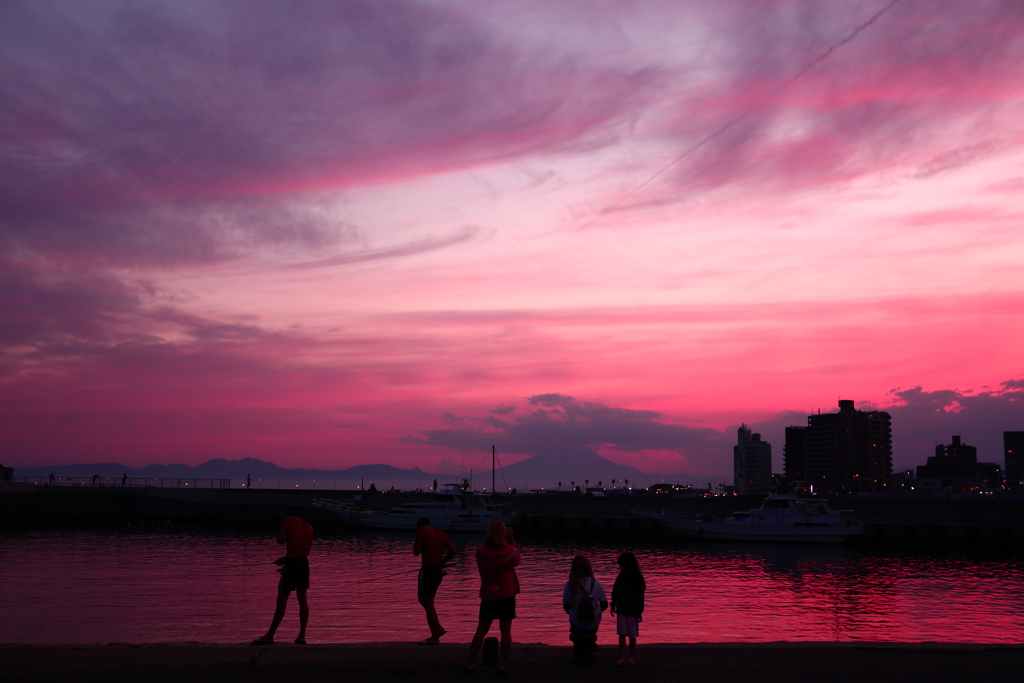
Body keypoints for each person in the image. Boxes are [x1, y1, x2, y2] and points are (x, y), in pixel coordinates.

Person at [465, 521, 520, 676]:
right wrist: (511, 539)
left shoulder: (480, 552)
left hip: (488, 595)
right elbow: (517, 560)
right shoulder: (510, 550)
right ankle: (503, 665)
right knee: (506, 631)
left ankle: (470, 663)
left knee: (481, 630)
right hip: (506, 595)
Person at [251, 516, 314, 645]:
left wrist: (288, 540)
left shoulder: (287, 520)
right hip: (303, 563)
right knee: (302, 600)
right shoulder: (309, 526)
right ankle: (301, 636)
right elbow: (302, 549)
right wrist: (286, 558)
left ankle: (270, 636)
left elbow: (279, 540)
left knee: (281, 600)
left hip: (291, 565)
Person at [414, 517, 456, 645]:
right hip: (438, 570)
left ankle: (435, 637)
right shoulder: (442, 533)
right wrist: (442, 561)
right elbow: (453, 551)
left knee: (427, 601)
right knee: (427, 601)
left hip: (427, 570)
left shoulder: (421, 531)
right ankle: (438, 628)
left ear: (420, 525)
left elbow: (416, 552)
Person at [562, 555, 607, 664]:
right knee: (596, 612)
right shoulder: (596, 583)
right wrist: (595, 611)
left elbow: (566, 606)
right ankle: (591, 643)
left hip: (577, 625)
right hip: (593, 623)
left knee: (572, 613)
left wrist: (576, 613)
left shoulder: (569, 585)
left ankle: (579, 651)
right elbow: (604, 604)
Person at [610, 552, 646, 666]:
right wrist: (613, 604)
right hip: (622, 608)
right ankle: (623, 657)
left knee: (632, 635)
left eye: (622, 565)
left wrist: (639, 611)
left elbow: (640, 596)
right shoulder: (621, 577)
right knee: (622, 633)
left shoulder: (637, 578)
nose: (621, 568)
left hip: (632, 610)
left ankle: (630, 657)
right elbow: (615, 591)